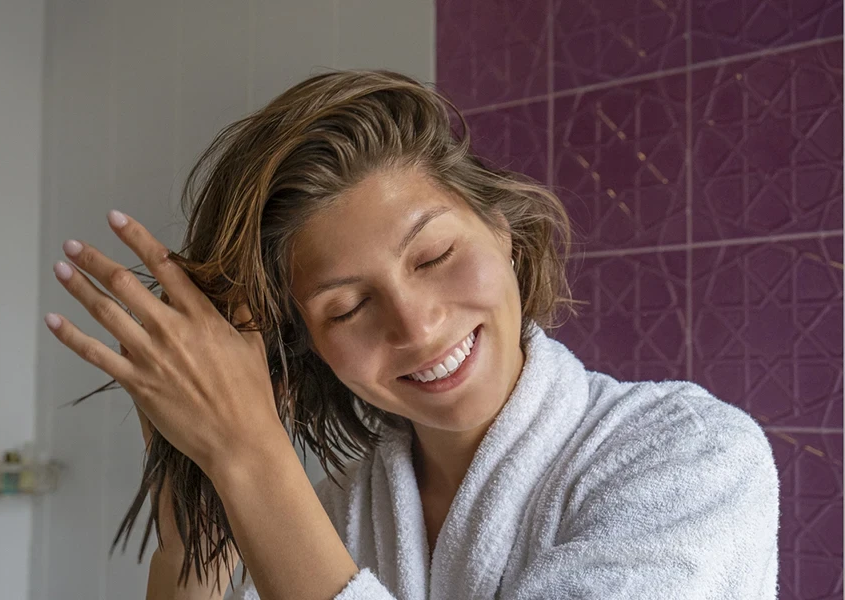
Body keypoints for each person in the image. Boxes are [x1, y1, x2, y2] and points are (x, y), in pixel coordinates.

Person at [46, 69, 780, 599]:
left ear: (504, 232)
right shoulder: (332, 518)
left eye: (435, 256)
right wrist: (200, 518)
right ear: (306, 347)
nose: (417, 324)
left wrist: (249, 454)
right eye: (345, 308)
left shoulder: (691, 456)